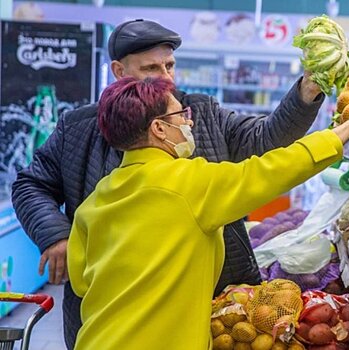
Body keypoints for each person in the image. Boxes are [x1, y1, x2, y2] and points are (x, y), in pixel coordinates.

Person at [11, 19, 325, 349]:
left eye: (170, 65)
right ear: (119, 70)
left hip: (211, 304)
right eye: (152, 68)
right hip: (108, 310)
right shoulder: (78, 127)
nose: (167, 77)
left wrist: (305, 94)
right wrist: (56, 235)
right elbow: (31, 183)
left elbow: (264, 140)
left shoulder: (198, 113)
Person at [68, 76, 349, 349]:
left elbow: (81, 281)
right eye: (181, 115)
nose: (189, 122)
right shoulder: (188, 183)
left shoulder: (97, 198)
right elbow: (272, 170)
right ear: (159, 129)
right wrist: (345, 131)